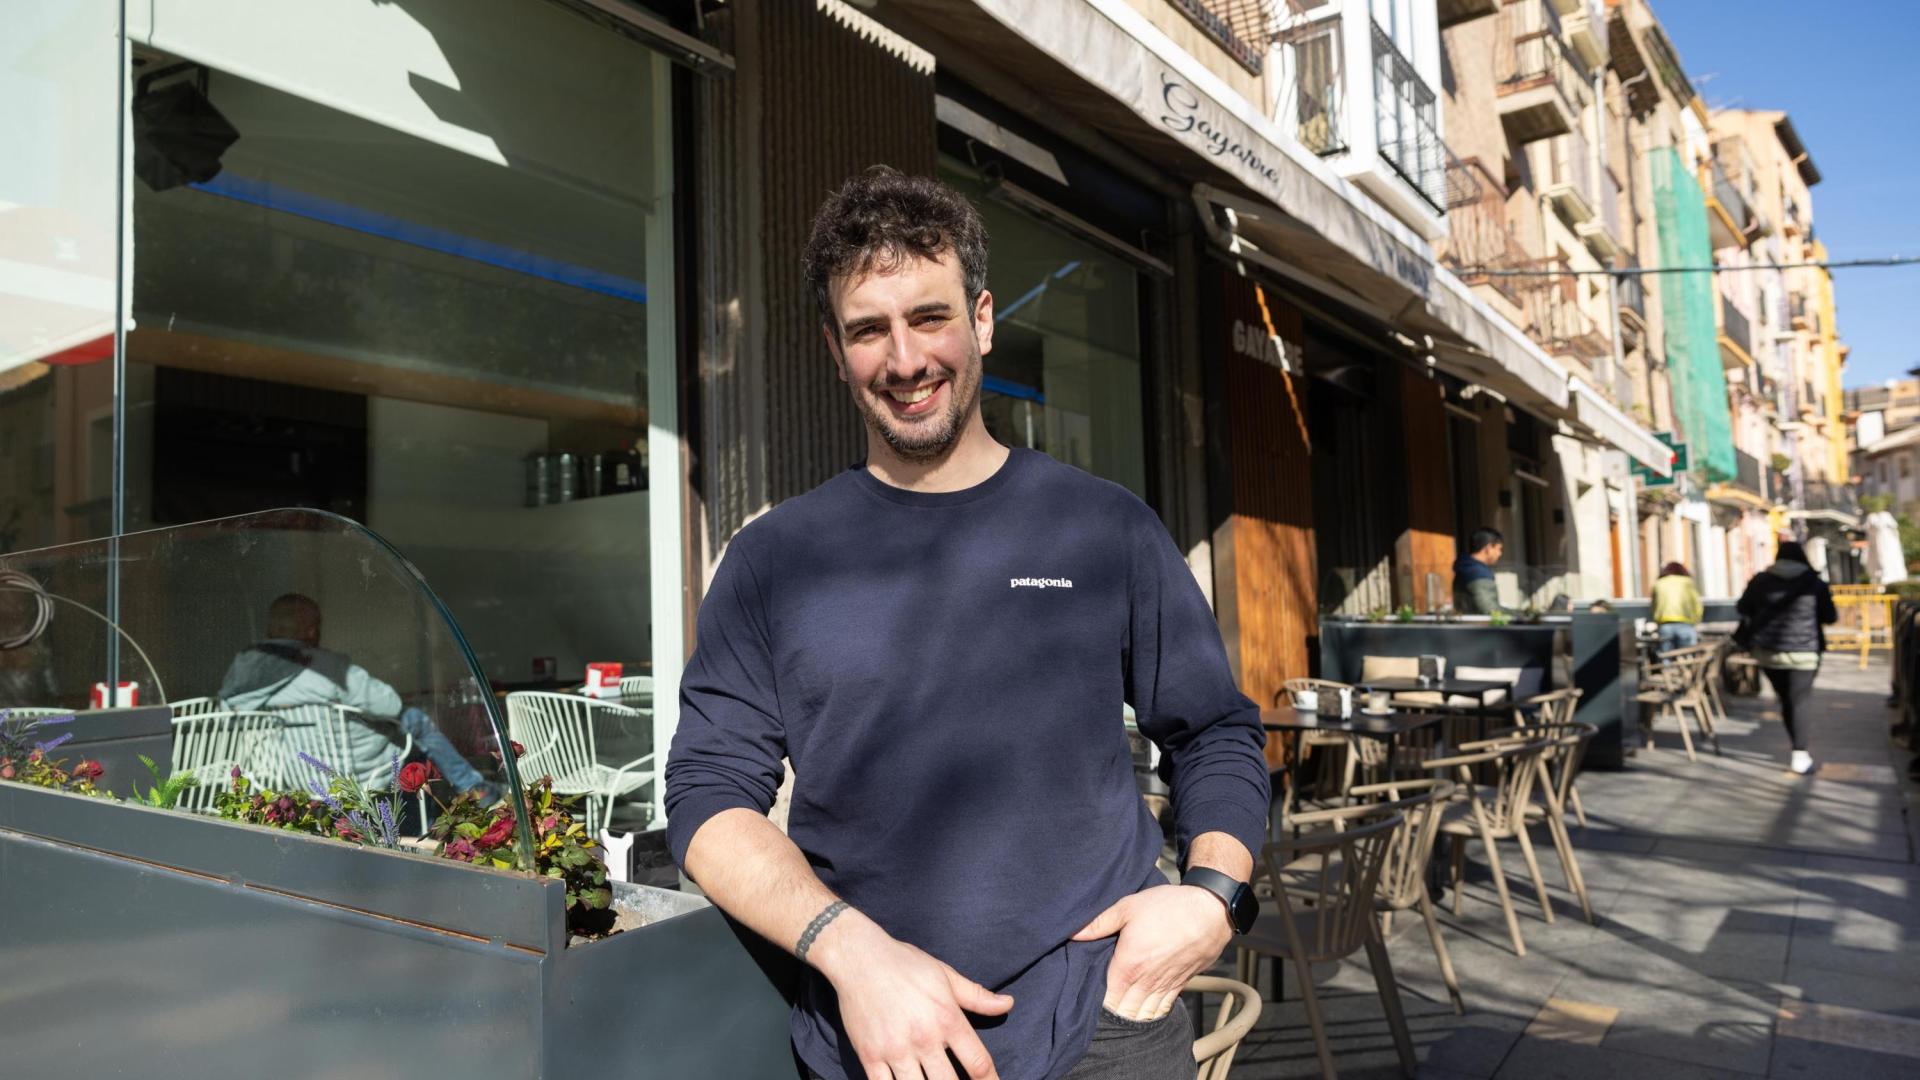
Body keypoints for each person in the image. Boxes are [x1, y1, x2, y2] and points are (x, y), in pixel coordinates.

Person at [664, 168, 1270, 1080]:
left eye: (930, 317)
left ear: (983, 319)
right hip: (876, 1039)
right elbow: (708, 795)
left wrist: (1215, 895)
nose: (905, 360)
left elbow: (1214, 729)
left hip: (1100, 1028)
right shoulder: (774, 560)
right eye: (869, 329)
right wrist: (850, 954)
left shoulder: (1102, 527)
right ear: (835, 350)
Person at [219, 593, 498, 799]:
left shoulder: (242, 669)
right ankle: (474, 791)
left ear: (270, 629)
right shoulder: (327, 667)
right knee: (414, 719)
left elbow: (226, 712)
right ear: (313, 631)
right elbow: (389, 703)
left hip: (289, 774)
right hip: (358, 772)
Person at [1735, 541, 1838, 775]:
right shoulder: (1814, 582)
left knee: (1786, 700)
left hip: (1768, 652)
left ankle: (1797, 747)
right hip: (1805, 652)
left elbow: (1743, 607)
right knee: (1800, 701)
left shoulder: (1760, 581)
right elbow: (1830, 616)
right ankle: (1799, 754)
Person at [1452, 526, 1508, 616]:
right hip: (1481, 628)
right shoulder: (1476, 573)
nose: (1500, 554)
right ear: (1488, 548)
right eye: (1499, 549)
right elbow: (1488, 609)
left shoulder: (1465, 568)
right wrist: (1521, 615)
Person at [1651, 562, 1703, 655]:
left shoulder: (1658, 583)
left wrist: (1657, 620)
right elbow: (1697, 604)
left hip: (1665, 623)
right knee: (1687, 656)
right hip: (1685, 623)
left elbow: (1654, 605)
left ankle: (1666, 668)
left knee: (1666, 656)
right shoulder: (1688, 582)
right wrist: (1696, 620)